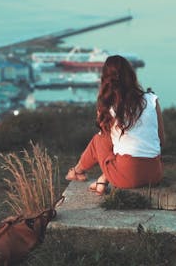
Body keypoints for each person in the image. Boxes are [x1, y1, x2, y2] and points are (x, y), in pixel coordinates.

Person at [65, 55, 165, 195]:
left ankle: (77, 171)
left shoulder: (107, 106)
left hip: (126, 177)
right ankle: (102, 179)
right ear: (131, 74)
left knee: (99, 140)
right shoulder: (151, 99)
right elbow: (161, 140)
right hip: (155, 173)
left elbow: (105, 141)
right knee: (116, 140)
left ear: (105, 79)